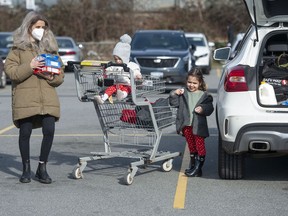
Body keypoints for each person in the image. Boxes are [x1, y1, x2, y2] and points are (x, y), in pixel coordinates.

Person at [4, 11, 64, 184]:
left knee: (49, 130)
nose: (41, 30)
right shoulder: (17, 49)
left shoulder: (50, 48)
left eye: (43, 27)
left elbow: (60, 75)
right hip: (25, 98)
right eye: (38, 27)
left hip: (48, 98)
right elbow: (11, 73)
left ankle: (42, 168)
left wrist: (51, 76)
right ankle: (26, 169)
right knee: (25, 132)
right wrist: (30, 66)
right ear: (29, 26)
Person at [169, 68, 214, 177]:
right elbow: (173, 103)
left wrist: (202, 109)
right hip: (186, 125)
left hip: (198, 126)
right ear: (186, 81)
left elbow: (210, 108)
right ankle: (194, 166)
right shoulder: (183, 93)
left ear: (200, 83)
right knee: (192, 146)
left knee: (200, 146)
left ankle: (198, 168)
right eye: (189, 82)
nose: (191, 85)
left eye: (195, 83)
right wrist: (174, 93)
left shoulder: (204, 95)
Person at [95, 34, 141, 104]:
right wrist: (105, 70)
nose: (117, 61)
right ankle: (102, 99)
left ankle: (122, 95)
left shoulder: (130, 65)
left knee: (127, 89)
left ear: (125, 57)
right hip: (118, 85)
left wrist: (138, 75)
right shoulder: (115, 65)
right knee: (111, 88)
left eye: (120, 59)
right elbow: (110, 69)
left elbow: (135, 71)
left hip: (128, 85)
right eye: (115, 59)